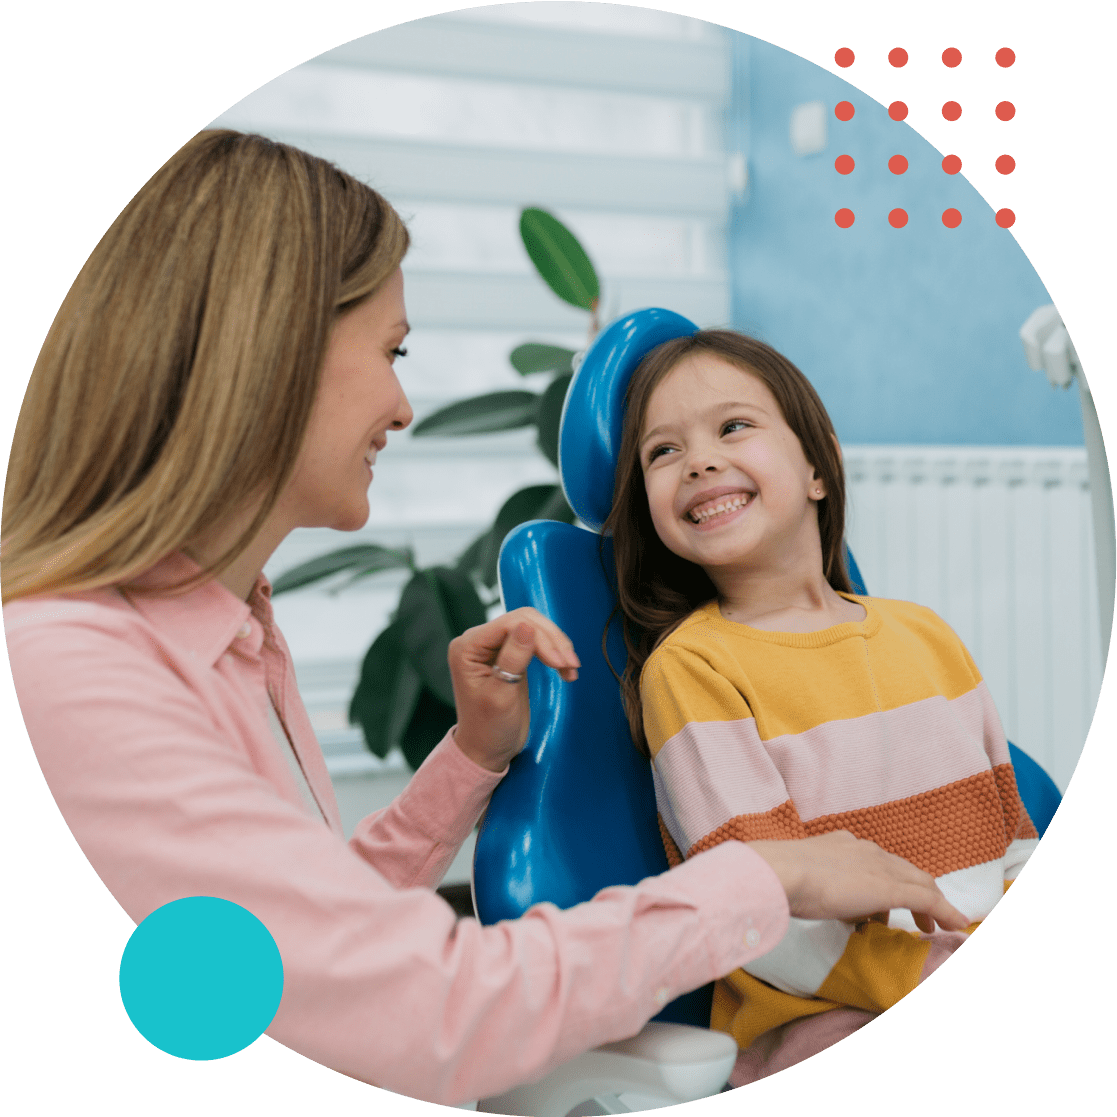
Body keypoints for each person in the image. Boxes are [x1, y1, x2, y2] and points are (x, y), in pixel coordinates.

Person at [1, 130, 968, 1105]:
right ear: (268, 348)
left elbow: (311, 941)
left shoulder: (232, 638)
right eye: (392, 350)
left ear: (816, 466)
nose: (404, 404)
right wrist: (770, 877)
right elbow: (432, 1008)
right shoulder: (72, 666)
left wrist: (471, 754)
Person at [603, 330, 1039, 1085]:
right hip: (823, 1020)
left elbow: (1012, 835)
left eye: (732, 426)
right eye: (661, 452)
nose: (699, 460)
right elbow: (764, 914)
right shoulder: (692, 669)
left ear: (817, 465)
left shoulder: (924, 633)